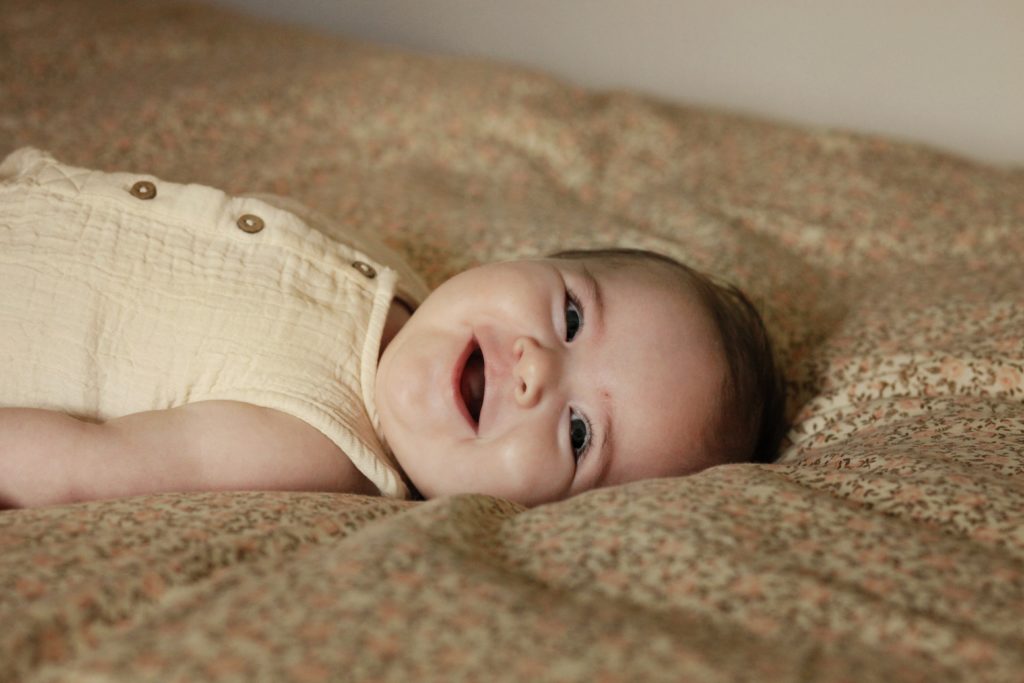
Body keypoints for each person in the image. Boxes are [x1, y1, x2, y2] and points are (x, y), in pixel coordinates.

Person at [0, 148, 785, 508]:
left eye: (580, 435)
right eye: (571, 315)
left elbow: (79, 466)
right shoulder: (392, 281)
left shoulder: (311, 447)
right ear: (526, 256)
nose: (535, 370)